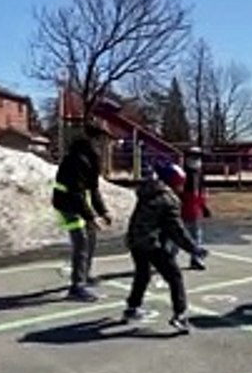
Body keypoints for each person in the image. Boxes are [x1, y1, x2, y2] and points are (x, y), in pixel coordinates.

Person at [123, 160, 207, 333]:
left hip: (134, 239)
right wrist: (194, 249)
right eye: (180, 183)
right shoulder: (169, 200)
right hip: (151, 242)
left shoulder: (148, 190)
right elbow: (177, 231)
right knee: (174, 276)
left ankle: (132, 307)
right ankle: (180, 315)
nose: (182, 187)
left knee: (142, 274)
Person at [52, 126, 112, 302]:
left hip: (77, 202)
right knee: (81, 240)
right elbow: (75, 192)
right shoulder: (77, 159)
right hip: (66, 204)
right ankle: (77, 287)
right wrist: (91, 217)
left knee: (91, 236)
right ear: (95, 140)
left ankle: (84, 275)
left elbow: (93, 189)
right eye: (103, 141)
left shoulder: (92, 159)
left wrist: (103, 211)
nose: (105, 145)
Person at [178, 146, 211, 270]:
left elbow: (201, 192)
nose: (196, 159)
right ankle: (168, 260)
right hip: (182, 208)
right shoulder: (182, 173)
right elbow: (177, 191)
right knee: (176, 234)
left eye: (197, 157)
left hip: (195, 208)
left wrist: (203, 206)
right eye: (193, 157)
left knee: (196, 235)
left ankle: (196, 259)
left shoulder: (199, 173)